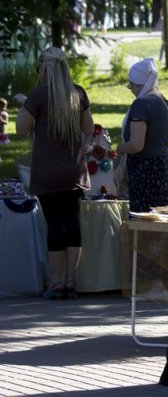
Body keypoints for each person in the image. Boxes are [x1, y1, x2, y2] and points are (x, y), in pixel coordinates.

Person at [14, 47, 94, 300]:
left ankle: (56, 281)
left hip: (47, 171)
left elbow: (19, 129)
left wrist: (22, 103)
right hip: (74, 170)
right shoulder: (77, 93)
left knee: (55, 226)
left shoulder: (37, 95)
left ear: (44, 69)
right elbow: (89, 128)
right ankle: (71, 281)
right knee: (72, 225)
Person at [117, 58, 168, 212]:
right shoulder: (163, 101)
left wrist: (120, 148)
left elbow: (136, 145)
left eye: (131, 85)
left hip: (146, 172)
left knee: (142, 220)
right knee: (161, 220)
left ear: (138, 84)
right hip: (163, 168)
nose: (131, 89)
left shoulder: (142, 104)